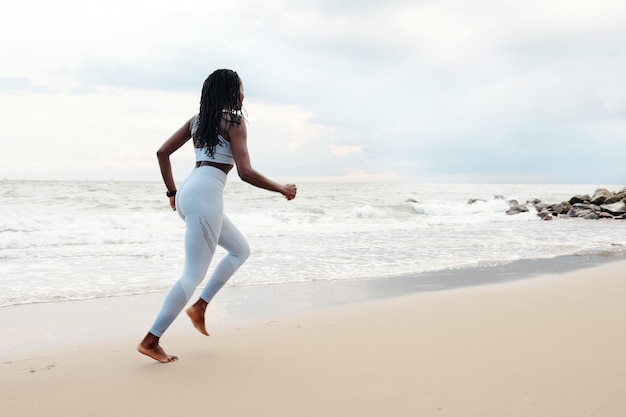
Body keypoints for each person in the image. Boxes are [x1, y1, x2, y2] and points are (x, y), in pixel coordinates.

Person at [137, 69, 297, 363]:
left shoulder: (197, 121)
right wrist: (281, 188)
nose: (243, 93)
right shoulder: (235, 121)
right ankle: (151, 340)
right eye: (241, 88)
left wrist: (172, 194)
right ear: (230, 92)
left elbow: (162, 153)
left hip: (189, 190)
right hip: (206, 195)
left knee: (240, 250)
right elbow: (245, 172)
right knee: (192, 273)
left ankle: (200, 307)